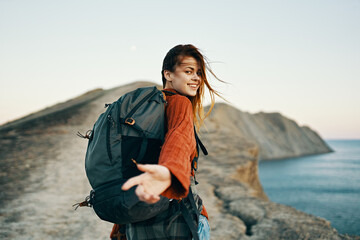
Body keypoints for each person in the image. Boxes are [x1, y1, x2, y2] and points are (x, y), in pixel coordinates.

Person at [110, 44, 223, 240]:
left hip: (138, 219)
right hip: (177, 217)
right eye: (188, 71)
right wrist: (169, 171)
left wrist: (119, 227)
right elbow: (178, 138)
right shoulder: (179, 103)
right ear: (168, 75)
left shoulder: (147, 111)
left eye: (199, 72)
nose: (197, 78)